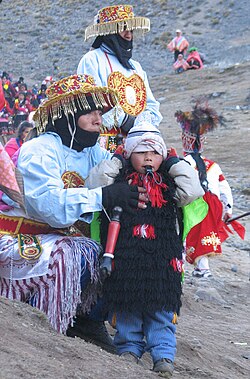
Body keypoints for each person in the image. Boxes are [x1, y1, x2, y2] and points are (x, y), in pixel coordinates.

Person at [0, 74, 148, 353]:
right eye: (90, 112)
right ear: (68, 115)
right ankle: (45, 316)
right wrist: (103, 195)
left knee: (124, 247)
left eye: (100, 113)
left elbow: (121, 171)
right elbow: (50, 207)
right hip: (25, 235)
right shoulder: (39, 149)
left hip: (66, 237)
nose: (98, 120)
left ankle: (90, 318)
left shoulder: (94, 151)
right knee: (74, 254)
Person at [99, 122, 205, 377]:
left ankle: (163, 356)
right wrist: (116, 159)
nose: (148, 158)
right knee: (127, 305)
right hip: (127, 256)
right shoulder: (119, 182)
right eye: (140, 152)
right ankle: (128, 350)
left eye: (155, 153)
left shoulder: (170, 185)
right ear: (128, 154)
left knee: (162, 308)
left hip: (163, 258)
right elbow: (97, 183)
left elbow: (194, 189)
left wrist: (172, 163)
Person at [77, 4, 162, 151]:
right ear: (110, 32)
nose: (129, 35)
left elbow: (151, 104)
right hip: (102, 142)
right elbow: (91, 101)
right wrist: (124, 119)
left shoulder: (136, 67)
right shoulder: (91, 59)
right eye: (123, 30)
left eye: (130, 30)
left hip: (137, 142)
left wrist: (140, 125)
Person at [175, 101, 234, 278]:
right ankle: (203, 267)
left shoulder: (182, 163)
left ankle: (181, 266)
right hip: (212, 206)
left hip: (192, 204)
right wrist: (228, 208)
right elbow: (225, 189)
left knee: (185, 234)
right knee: (204, 235)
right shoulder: (213, 166)